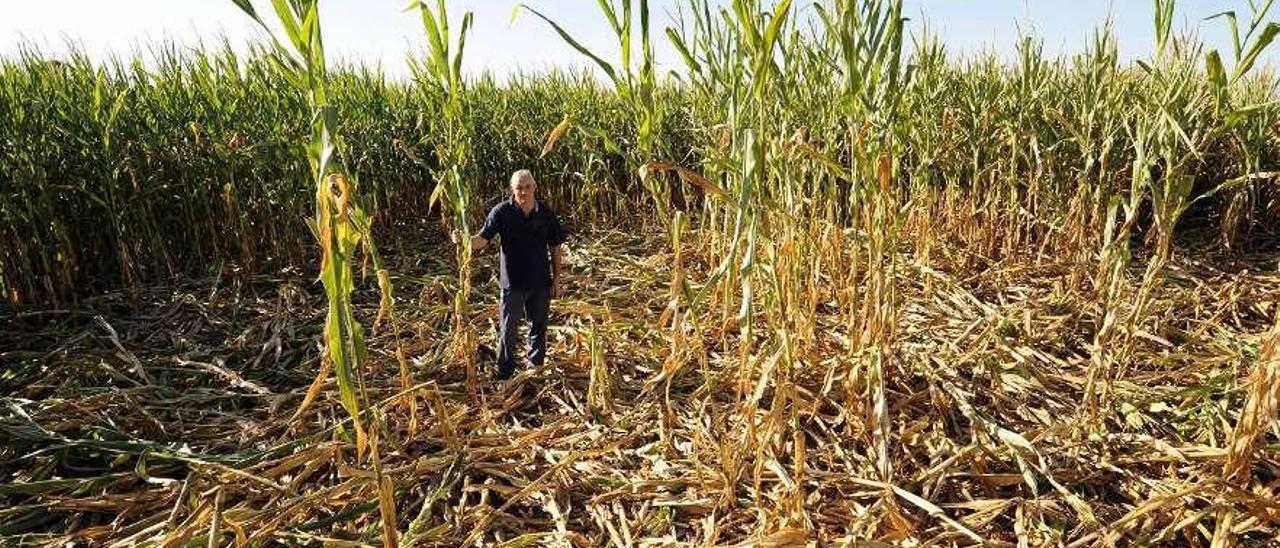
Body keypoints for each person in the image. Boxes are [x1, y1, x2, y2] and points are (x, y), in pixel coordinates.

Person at [467, 170, 566, 379]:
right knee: (508, 331)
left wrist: (557, 279)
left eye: (528, 187)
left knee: (538, 328)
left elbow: (555, 247)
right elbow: (483, 240)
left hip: (540, 282)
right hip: (512, 284)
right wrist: (465, 241)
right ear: (512, 190)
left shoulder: (545, 213)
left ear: (535, 188)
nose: (524, 191)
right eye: (519, 188)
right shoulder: (502, 212)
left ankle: (535, 368)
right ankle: (505, 372)